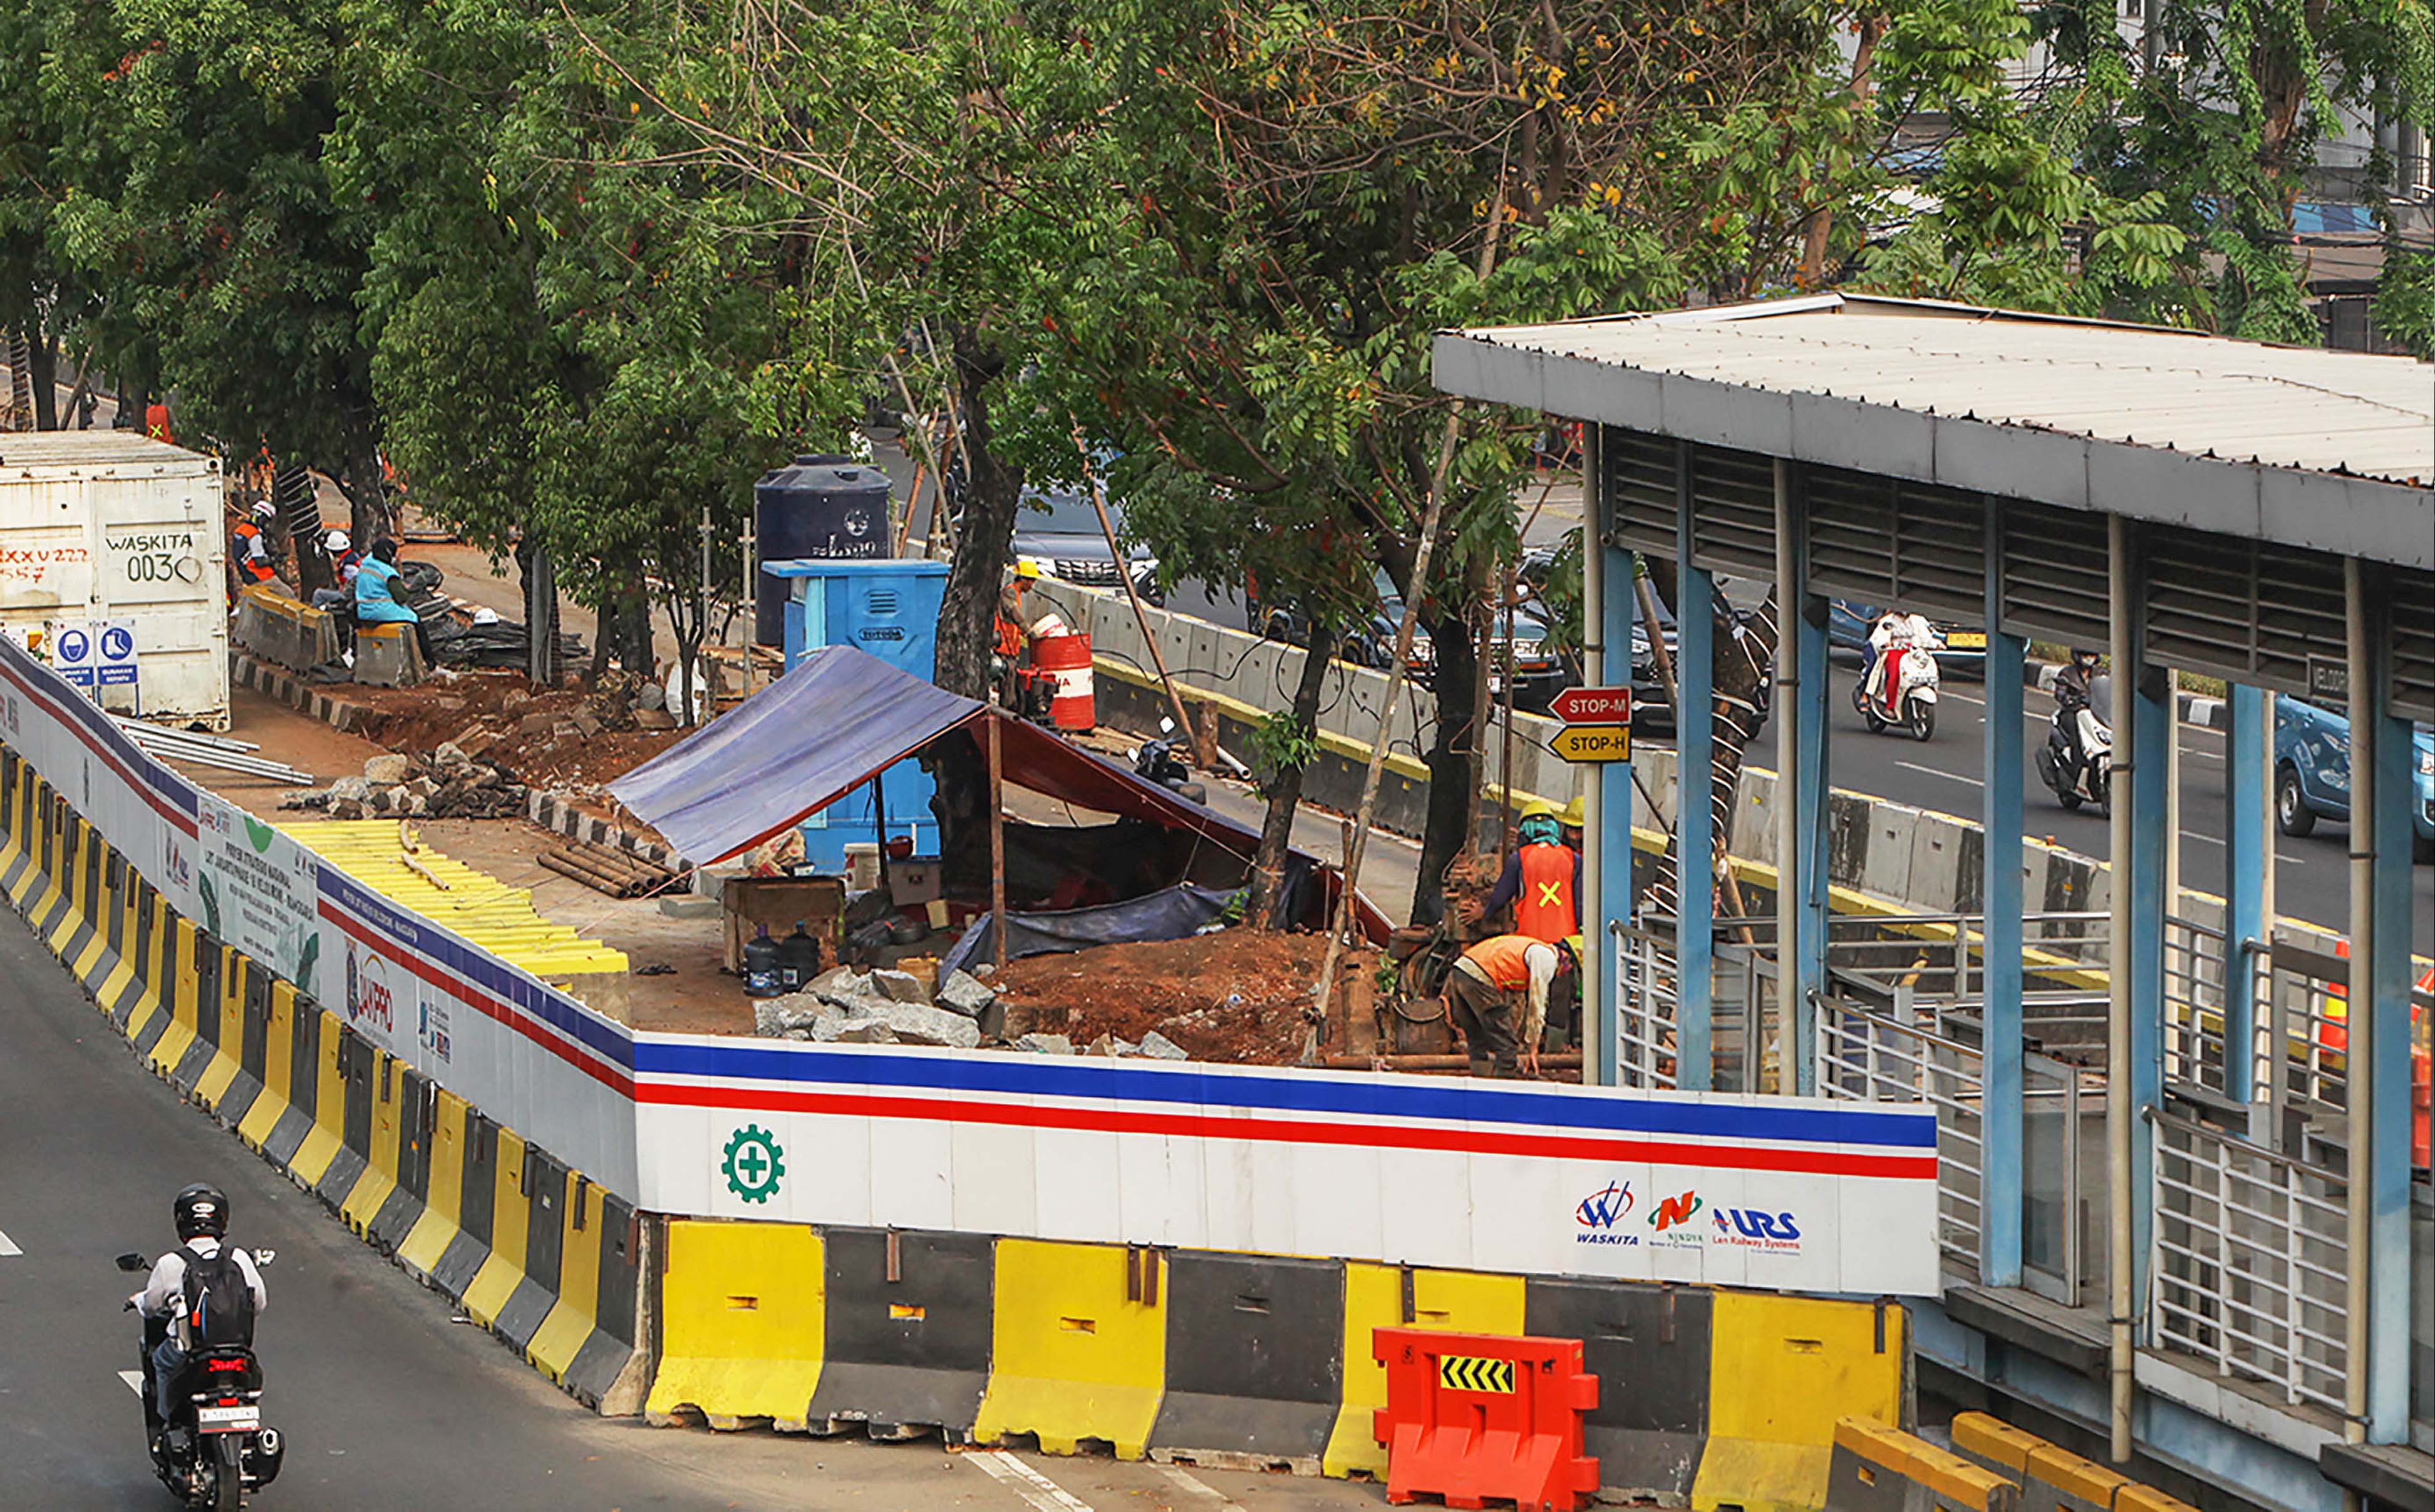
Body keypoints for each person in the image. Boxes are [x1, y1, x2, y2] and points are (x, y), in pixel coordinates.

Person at [132, 1184, 267, 1451]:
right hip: (237, 1352)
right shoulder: (240, 1258)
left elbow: (151, 1306)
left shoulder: (171, 1263)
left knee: (160, 1361)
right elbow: (259, 1302)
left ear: (181, 1220)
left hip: (191, 1352)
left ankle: (165, 1425)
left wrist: (136, 1300)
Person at [1444, 932, 1577, 1078]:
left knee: (1477, 1037)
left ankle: (1480, 1078)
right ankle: (1506, 1083)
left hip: (1461, 970)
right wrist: (1533, 1048)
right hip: (1480, 974)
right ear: (1566, 959)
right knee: (1505, 1043)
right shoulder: (1547, 958)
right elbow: (1536, 1006)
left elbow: (1517, 1000)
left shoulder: (1529, 951)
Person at [1467, 798, 1581, 944]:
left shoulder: (1519, 858)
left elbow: (1500, 898)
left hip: (1529, 942)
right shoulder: (1574, 859)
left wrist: (1483, 912)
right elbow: (1580, 904)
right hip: (1565, 942)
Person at [353, 538, 432, 662]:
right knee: (416, 620)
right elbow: (401, 598)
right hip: (381, 610)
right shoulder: (387, 572)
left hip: (363, 610)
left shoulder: (366, 564)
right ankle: (429, 662)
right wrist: (405, 583)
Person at [1863, 610, 1941, 714]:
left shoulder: (1917, 619)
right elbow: (1879, 638)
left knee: (1929, 666)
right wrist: (1885, 644)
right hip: (1895, 651)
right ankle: (1890, 706)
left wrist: (1937, 644)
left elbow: (1926, 638)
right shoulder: (1888, 620)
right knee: (1895, 673)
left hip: (1914, 652)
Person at [2053, 647, 2103, 777]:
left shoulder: (2101, 673)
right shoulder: (2067, 673)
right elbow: (2060, 694)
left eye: (2092, 655)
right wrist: (2074, 700)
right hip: (2073, 713)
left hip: (2095, 714)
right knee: (2077, 733)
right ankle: (2077, 768)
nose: (2089, 658)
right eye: (2085, 655)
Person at [230, 501, 280, 589]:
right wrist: (275, 559)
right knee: (288, 595)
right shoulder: (255, 535)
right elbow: (259, 561)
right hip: (261, 576)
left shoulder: (240, 530)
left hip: (246, 576)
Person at [309, 528, 359, 613]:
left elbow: (355, 581)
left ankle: (317, 619)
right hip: (353, 594)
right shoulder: (352, 556)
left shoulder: (348, 565)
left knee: (318, 594)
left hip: (351, 596)